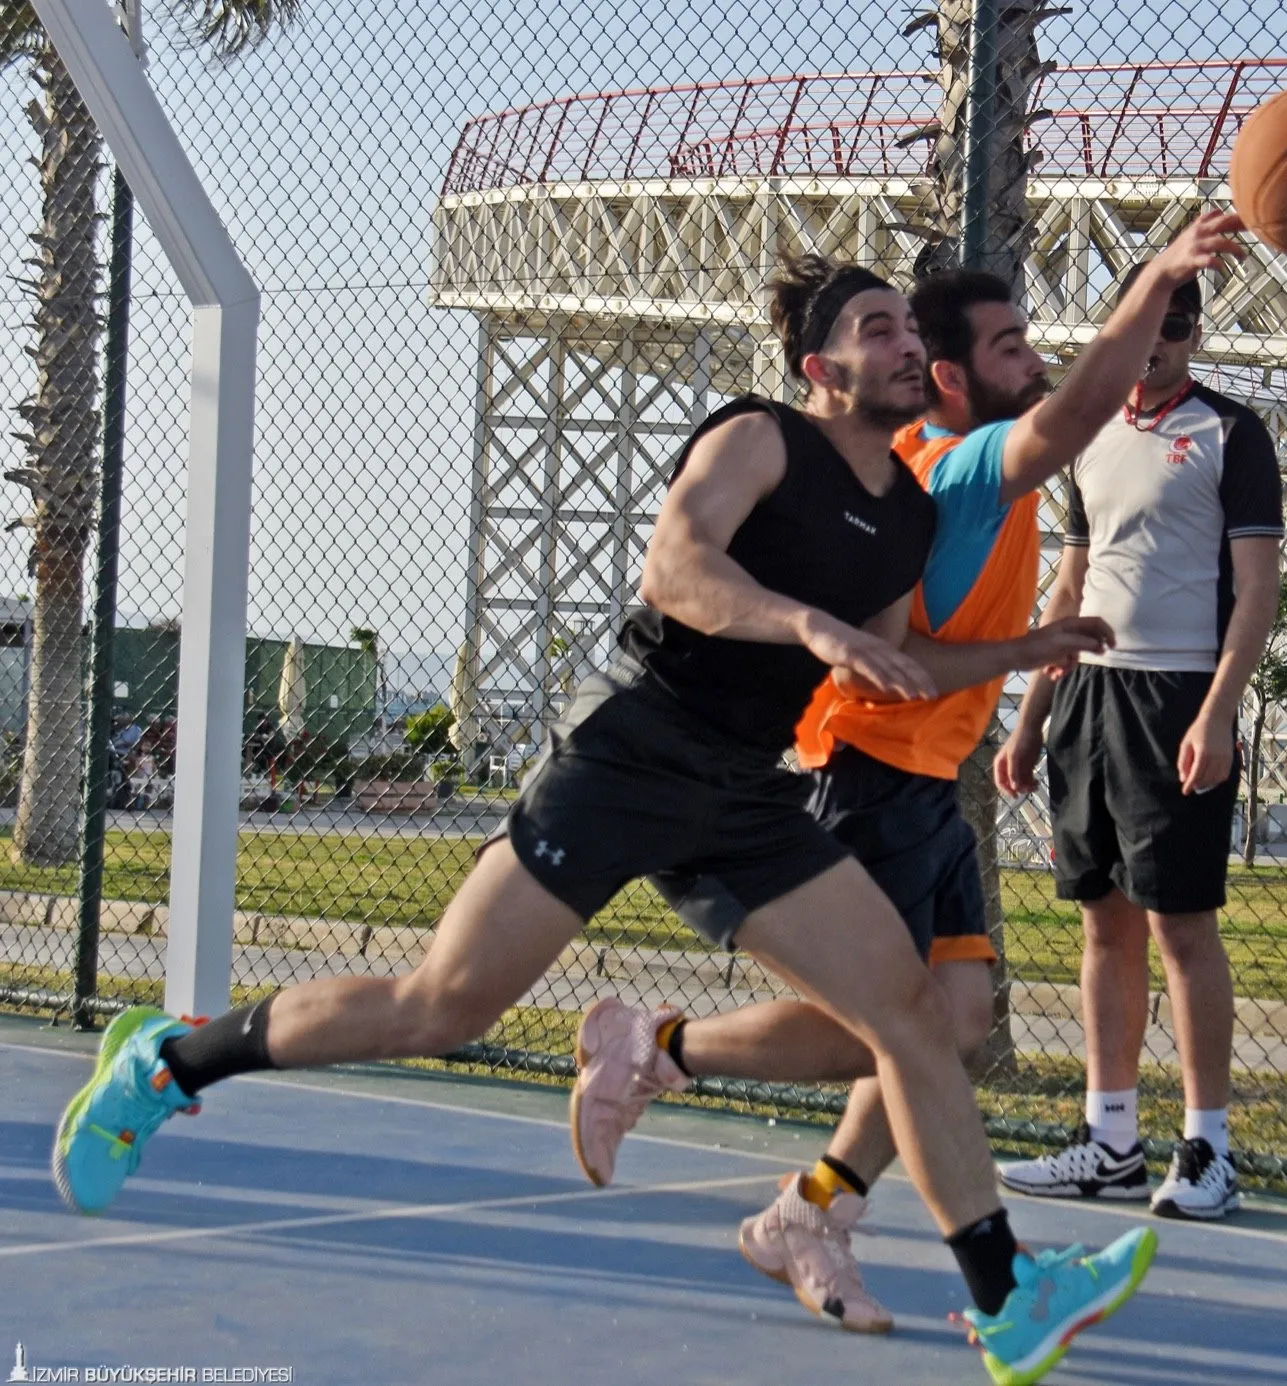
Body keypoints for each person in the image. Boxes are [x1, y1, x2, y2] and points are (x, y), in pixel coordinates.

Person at [52, 252, 1150, 1386]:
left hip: (739, 790)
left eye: (905, 332)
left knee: (912, 1016)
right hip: (629, 750)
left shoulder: (907, 515)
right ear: (820, 369)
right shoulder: (759, 437)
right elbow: (677, 572)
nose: (904, 347)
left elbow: (897, 656)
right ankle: (173, 1061)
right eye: (876, 331)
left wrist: (1019, 654)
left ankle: (1005, 1296)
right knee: (444, 1005)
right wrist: (804, 625)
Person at [568, 214, 1248, 1334]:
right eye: (1012, 348)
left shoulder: (957, 479)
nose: (1036, 363)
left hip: (924, 782)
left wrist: (1025, 670)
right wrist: (1162, 276)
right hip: (868, 771)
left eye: (1035, 343)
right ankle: (659, 1048)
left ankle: (811, 1207)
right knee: (896, 1028)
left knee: (953, 1024)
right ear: (946, 376)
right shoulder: (965, 466)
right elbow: (1079, 412)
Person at [993, 255, 1284, 1221]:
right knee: (1101, 920)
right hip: (1089, 696)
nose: (1153, 340)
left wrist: (1218, 711)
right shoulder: (1090, 438)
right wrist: (1031, 718)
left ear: (1193, 333)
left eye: (1171, 323)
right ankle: (1110, 1136)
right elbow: (1070, 586)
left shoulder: (1231, 434)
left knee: (1180, 926)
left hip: (1179, 695)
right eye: (1137, 321)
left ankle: (1208, 1149)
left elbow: (1257, 593)